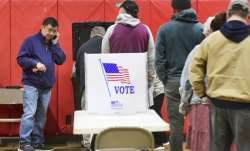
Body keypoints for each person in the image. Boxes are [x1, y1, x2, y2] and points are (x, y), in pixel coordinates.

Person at [189, 0, 250, 150]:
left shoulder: (211, 40)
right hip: (246, 106)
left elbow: (195, 68)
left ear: (228, 14)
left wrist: (201, 93)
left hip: (217, 104)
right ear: (247, 15)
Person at [155, 0, 204, 150]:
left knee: (176, 124)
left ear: (173, 8)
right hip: (196, 83)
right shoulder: (201, 29)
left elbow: (159, 61)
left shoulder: (164, 30)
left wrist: (167, 80)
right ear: (190, 6)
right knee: (198, 124)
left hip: (173, 81)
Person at [179, 12, 227, 151]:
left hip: (201, 103)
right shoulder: (237, 49)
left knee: (202, 142)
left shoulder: (198, 50)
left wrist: (184, 105)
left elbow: (187, 81)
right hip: (229, 105)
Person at [16, 17, 66, 151]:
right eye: (49, 30)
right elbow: (20, 59)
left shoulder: (52, 44)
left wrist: (56, 44)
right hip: (31, 83)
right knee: (30, 113)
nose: (51, 33)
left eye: (54, 31)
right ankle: (24, 143)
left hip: (46, 86)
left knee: (41, 116)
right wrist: (35, 63)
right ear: (42, 27)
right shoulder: (30, 41)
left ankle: (38, 143)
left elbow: (61, 60)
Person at [102, 0, 155, 89]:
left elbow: (105, 58)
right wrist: (149, 82)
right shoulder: (145, 30)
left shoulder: (111, 30)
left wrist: (112, 81)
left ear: (123, 11)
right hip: (139, 82)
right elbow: (151, 59)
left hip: (117, 85)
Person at [75, 26, 106, 149]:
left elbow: (77, 70)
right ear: (103, 35)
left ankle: (87, 143)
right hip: (105, 88)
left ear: (91, 35)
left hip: (87, 87)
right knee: (103, 115)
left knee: (87, 115)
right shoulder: (107, 45)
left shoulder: (82, 47)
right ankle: (101, 142)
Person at [150, 76, 169, 147]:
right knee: (155, 113)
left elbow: (151, 76)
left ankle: (158, 142)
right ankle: (163, 139)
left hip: (156, 90)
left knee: (155, 114)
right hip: (157, 89)